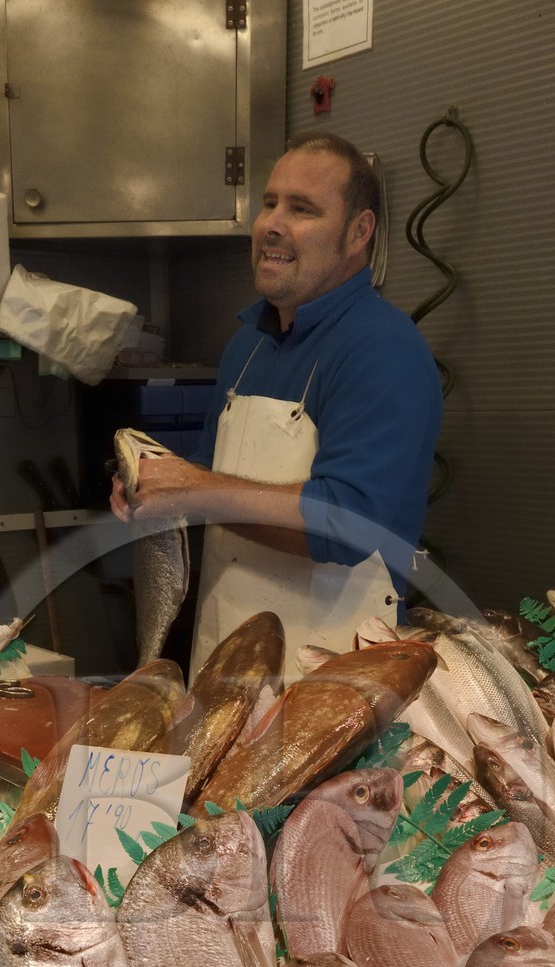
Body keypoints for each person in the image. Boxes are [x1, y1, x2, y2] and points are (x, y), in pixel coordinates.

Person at [111, 132, 443, 673]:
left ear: (359, 232)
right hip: (226, 655)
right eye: (269, 203)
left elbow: (347, 525)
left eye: (302, 209)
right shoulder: (248, 343)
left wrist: (194, 489)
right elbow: (212, 472)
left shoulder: (384, 348)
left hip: (336, 671)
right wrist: (156, 485)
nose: (272, 224)